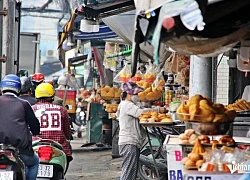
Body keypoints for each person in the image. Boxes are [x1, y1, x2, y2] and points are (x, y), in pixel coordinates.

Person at [116, 82, 167, 180]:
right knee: (129, 171)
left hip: (129, 142)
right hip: (129, 142)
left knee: (131, 171)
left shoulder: (126, 104)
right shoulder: (127, 105)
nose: (137, 96)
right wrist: (157, 110)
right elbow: (140, 112)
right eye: (135, 94)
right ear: (128, 94)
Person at [0, 74, 40, 180]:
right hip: (20, 152)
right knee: (34, 163)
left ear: (2, 88)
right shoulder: (24, 104)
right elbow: (35, 128)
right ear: (18, 89)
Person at [32, 83, 73, 173]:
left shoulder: (32, 109)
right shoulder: (61, 110)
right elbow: (67, 132)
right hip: (58, 146)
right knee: (68, 155)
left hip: (35, 146)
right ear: (53, 95)